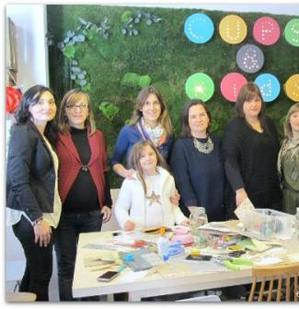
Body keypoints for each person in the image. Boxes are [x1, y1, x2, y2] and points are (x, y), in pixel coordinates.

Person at [54, 89, 113, 301]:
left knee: (92, 267)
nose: (78, 110)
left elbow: (103, 170)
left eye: (82, 106)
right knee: (67, 267)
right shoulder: (56, 136)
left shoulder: (98, 137)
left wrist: (107, 202)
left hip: (92, 214)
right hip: (64, 216)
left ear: (89, 110)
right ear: (65, 111)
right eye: (72, 106)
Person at [6, 85, 61, 301]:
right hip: (30, 218)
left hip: (39, 216)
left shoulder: (40, 133)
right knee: (41, 275)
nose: (47, 106)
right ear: (27, 106)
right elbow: (17, 180)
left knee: (33, 273)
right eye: (39, 102)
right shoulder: (23, 132)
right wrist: (37, 219)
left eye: (50, 101)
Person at [223, 82, 282, 211]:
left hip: (271, 192)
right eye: (249, 101)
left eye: (257, 100)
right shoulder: (234, 127)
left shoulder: (268, 123)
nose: (254, 105)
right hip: (247, 194)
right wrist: (239, 190)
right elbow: (230, 162)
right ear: (241, 103)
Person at [170, 100, 227, 222]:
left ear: (208, 118)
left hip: (221, 214)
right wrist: (197, 214)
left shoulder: (218, 142)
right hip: (195, 216)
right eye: (193, 116)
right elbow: (182, 182)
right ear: (187, 121)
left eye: (202, 114)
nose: (199, 119)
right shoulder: (181, 146)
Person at [114, 140, 188, 231]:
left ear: (156, 155)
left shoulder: (168, 179)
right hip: (140, 233)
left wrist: (182, 220)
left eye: (151, 154)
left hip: (166, 232)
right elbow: (120, 207)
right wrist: (125, 221)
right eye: (142, 156)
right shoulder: (131, 181)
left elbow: (173, 205)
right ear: (136, 160)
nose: (148, 158)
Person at [111, 86, 174, 179]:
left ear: (161, 106)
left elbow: (171, 165)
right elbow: (114, 161)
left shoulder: (168, 133)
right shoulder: (128, 131)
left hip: (161, 188)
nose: (152, 108)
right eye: (147, 103)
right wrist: (125, 173)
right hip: (137, 187)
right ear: (140, 107)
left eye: (155, 103)